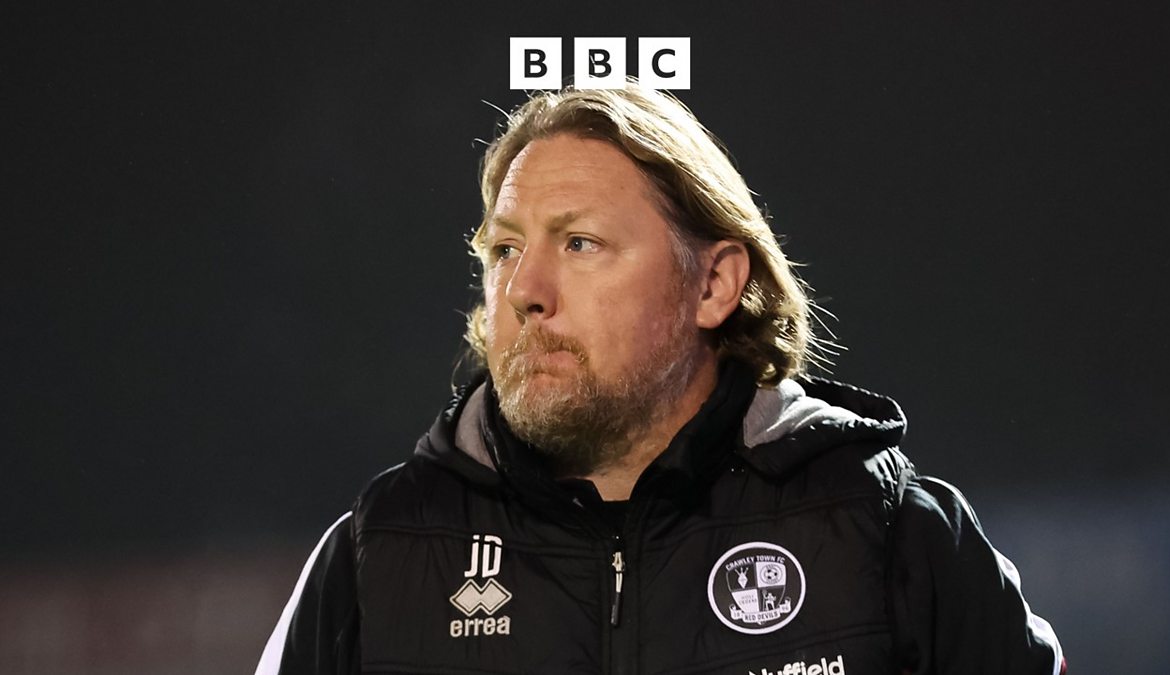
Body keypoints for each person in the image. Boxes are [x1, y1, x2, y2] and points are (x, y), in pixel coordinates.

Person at [255, 83, 1065, 675]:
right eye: (504, 250)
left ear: (713, 285)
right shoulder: (378, 553)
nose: (525, 288)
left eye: (579, 243)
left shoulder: (888, 528)